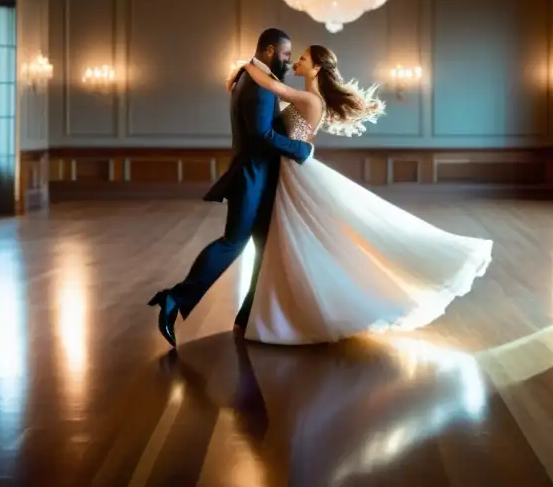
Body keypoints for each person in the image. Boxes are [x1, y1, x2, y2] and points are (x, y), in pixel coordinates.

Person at [173, 43, 493, 347]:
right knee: (285, 241)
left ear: (315, 68)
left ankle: (293, 312)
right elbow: (271, 107)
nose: (296, 62)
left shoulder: (309, 100)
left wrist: (247, 65)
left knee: (303, 238)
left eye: (302, 58)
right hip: (285, 170)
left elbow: (275, 91)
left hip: (292, 172)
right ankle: (261, 314)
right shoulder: (305, 98)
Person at [148, 28, 313, 347]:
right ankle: (174, 300)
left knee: (265, 248)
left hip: (259, 176)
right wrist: (302, 151)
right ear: (268, 51)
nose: (287, 61)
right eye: (284, 55)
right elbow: (262, 135)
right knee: (233, 243)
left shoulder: (249, 77)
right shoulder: (257, 85)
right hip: (250, 176)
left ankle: (247, 316)